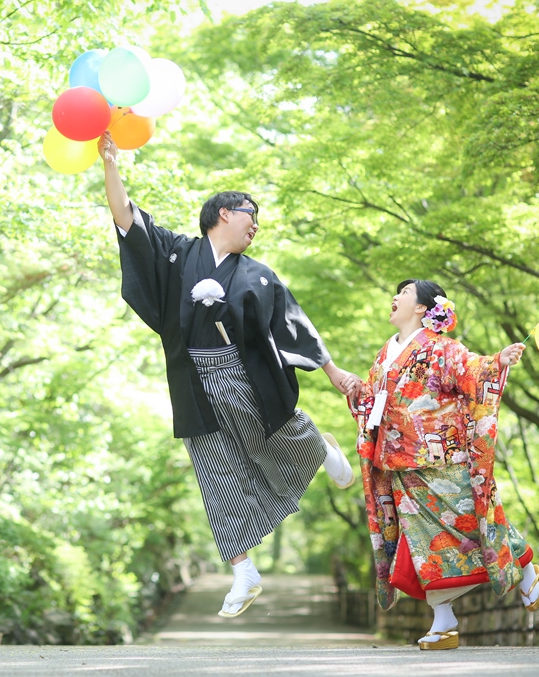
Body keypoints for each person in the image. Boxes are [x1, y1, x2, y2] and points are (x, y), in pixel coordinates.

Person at [98, 132, 360, 618]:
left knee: (277, 436)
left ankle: (319, 447)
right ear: (224, 213)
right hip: (193, 381)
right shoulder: (178, 252)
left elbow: (293, 324)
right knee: (216, 476)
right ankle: (244, 571)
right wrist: (111, 165)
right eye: (250, 214)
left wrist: (331, 370)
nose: (256, 225)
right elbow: (126, 220)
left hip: (242, 375)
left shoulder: (258, 274)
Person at [349, 279, 539, 650]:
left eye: (404, 294)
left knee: (471, 521)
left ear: (423, 308)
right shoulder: (384, 353)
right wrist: (357, 390)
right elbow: (376, 401)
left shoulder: (442, 348)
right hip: (399, 463)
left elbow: (472, 370)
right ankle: (444, 623)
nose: (395, 298)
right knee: (422, 545)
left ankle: (525, 570)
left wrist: (497, 361)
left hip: (440, 457)